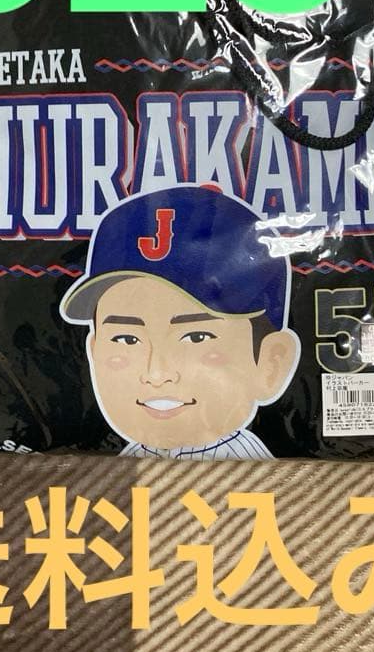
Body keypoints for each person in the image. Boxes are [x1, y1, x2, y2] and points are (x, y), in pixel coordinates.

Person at [60, 184, 300, 460]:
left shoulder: (277, 477)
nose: (157, 373)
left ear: (271, 364)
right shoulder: (90, 467)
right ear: (94, 352)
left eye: (196, 337)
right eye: (127, 339)